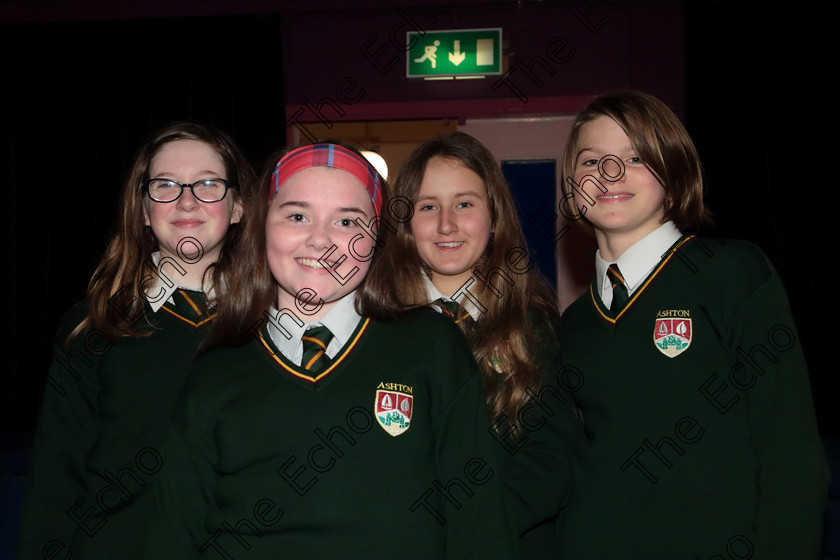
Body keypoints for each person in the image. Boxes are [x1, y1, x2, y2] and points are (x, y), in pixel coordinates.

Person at [141, 142, 515, 559]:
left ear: (376, 237)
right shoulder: (213, 373)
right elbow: (170, 539)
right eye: (297, 216)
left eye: (347, 221)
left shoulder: (432, 347)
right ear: (263, 226)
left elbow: (480, 526)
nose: (320, 240)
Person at [555, 90, 829, 559]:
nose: (610, 173)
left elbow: (792, 456)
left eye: (635, 156)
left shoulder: (733, 274)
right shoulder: (573, 324)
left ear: (674, 174)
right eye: (591, 160)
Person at [17, 122, 255, 559]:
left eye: (207, 183)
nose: (186, 200)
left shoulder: (275, 325)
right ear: (144, 208)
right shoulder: (95, 325)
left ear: (238, 206)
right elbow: (56, 480)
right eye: (165, 185)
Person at [373, 132, 582, 558]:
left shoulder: (533, 323)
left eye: (464, 204)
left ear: (495, 215)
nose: (446, 224)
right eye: (428, 206)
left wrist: (473, 531)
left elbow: (551, 460)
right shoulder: (375, 325)